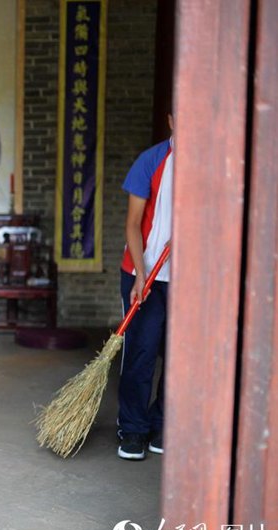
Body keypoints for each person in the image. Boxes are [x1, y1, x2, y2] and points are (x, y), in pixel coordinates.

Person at [117, 115, 174, 461]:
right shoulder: (151, 161)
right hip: (145, 273)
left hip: (188, 280)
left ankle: (162, 424)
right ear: (170, 120)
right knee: (142, 351)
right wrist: (140, 273)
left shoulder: (211, 166)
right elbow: (132, 224)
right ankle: (133, 429)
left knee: (179, 358)